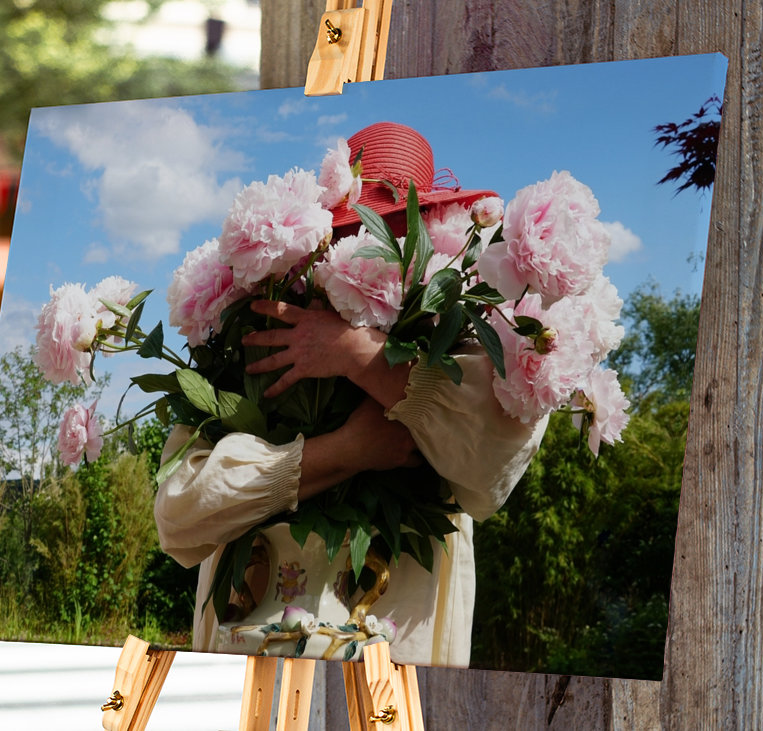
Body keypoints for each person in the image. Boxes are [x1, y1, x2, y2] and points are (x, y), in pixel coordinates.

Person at [153, 122, 548, 667]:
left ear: (430, 249)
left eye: (386, 232)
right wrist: (348, 450)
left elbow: (490, 472)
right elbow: (178, 516)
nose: (362, 253)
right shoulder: (251, 341)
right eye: (348, 233)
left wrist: (353, 352)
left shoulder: (471, 342)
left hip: (386, 673)